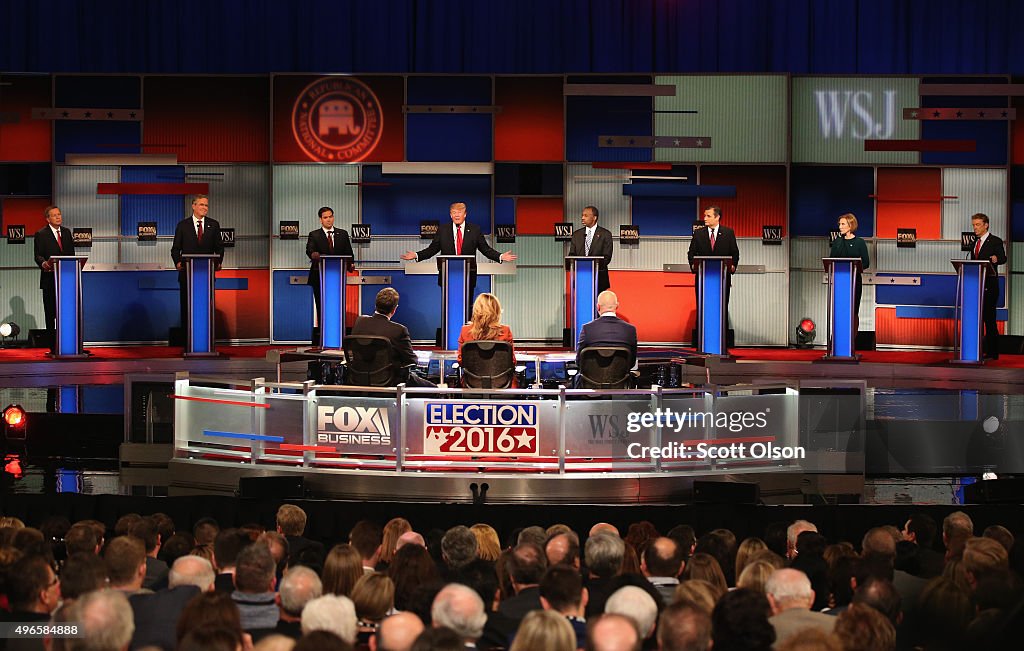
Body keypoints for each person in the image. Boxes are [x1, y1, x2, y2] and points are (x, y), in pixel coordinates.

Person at [400, 202, 516, 295]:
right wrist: (416, 255)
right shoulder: (443, 230)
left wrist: (500, 256)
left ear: (465, 214)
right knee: (448, 303)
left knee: (467, 304)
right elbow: (432, 249)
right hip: (447, 275)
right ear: (450, 215)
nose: (456, 215)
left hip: (468, 275)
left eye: (459, 212)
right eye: (454, 213)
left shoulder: (475, 230)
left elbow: (485, 249)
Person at [350, 288, 436, 387]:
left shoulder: (359, 322)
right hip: (390, 382)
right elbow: (411, 361)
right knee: (435, 389)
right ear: (394, 309)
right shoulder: (399, 330)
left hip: (359, 379)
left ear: (376, 305)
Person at [170, 195, 224, 345]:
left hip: (205, 274)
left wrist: (218, 263)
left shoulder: (213, 225)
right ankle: (188, 342)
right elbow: (175, 249)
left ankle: (206, 342)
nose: (204, 208)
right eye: (201, 205)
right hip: (187, 274)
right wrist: (178, 263)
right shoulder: (183, 225)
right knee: (187, 307)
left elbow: (219, 247)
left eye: (206, 205)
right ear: (193, 206)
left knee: (206, 307)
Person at [687, 205, 740, 347]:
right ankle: (703, 342)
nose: (704, 218)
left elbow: (735, 253)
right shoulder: (698, 234)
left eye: (708, 216)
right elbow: (691, 253)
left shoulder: (728, 233)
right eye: (704, 215)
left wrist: (733, 266)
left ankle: (721, 343)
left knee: (722, 308)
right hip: (703, 279)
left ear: (717, 217)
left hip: (722, 279)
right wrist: (693, 265)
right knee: (702, 308)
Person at [306, 206, 355, 343]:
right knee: (322, 307)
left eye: (330, 216)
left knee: (337, 307)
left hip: (337, 277)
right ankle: (324, 338)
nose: (329, 220)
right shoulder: (314, 235)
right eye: (325, 217)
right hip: (319, 277)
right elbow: (310, 250)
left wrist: (351, 263)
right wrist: (314, 254)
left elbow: (349, 253)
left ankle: (338, 337)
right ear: (320, 220)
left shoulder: (343, 234)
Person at [33, 205, 75, 350]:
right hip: (50, 280)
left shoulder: (67, 233)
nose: (58, 217)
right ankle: (53, 346)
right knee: (51, 314)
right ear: (48, 218)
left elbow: (72, 256)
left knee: (66, 312)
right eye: (55, 215)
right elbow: (37, 255)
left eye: (59, 214)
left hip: (66, 280)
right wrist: (44, 263)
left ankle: (68, 343)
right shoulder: (41, 234)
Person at [969, 212, 1007, 360]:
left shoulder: (995, 241)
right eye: (973, 225)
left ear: (986, 225)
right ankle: (978, 349)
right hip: (975, 285)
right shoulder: (974, 242)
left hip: (990, 286)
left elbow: (1003, 258)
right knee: (978, 318)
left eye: (978, 225)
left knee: (989, 319)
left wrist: (997, 259)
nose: (975, 228)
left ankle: (992, 352)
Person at [828, 213, 870, 346]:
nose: (840, 227)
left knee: (853, 310)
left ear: (851, 225)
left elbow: (866, 262)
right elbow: (831, 259)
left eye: (843, 224)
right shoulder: (837, 242)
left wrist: (855, 265)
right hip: (840, 281)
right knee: (839, 310)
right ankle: (837, 341)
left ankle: (851, 341)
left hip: (854, 280)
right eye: (839, 224)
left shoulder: (859, 242)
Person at [576, 290, 638, 374]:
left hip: (590, 384)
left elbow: (579, 362)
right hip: (621, 384)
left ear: (598, 307)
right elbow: (631, 363)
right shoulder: (630, 330)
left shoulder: (587, 329)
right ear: (617, 306)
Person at [457, 293, 515, 364]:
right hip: (501, 375)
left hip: (471, 375)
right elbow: (512, 361)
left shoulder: (465, 331)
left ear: (476, 310)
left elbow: (461, 361)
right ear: (496, 311)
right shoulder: (505, 330)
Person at [568, 205, 613, 293]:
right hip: (580, 278)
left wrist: (591, 265)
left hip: (599, 279)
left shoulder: (605, 234)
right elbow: (572, 255)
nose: (582, 218)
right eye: (582, 215)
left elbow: (607, 257)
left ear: (594, 218)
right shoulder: (576, 235)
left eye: (586, 215)